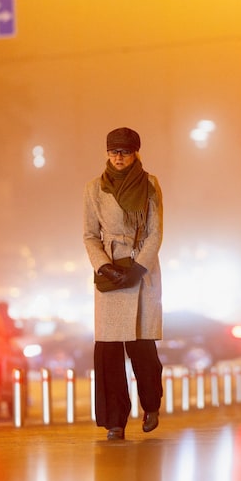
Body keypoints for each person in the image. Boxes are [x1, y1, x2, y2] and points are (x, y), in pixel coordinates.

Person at [83, 126, 164, 440]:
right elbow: (90, 235)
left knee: (143, 347)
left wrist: (139, 268)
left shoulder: (151, 185)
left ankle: (151, 405)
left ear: (135, 153)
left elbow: (155, 232)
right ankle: (114, 420)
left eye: (125, 152)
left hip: (141, 270)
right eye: (114, 152)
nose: (118, 158)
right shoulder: (94, 189)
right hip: (110, 272)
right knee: (108, 351)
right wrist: (104, 266)